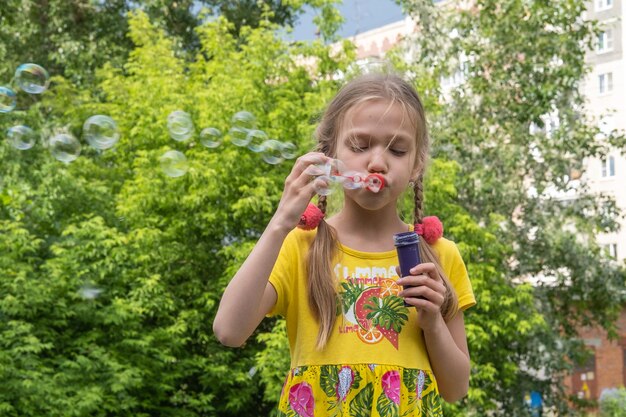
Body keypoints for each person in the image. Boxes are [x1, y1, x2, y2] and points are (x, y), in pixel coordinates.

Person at [213, 73, 476, 416]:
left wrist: (432, 322)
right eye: (359, 145)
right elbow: (229, 331)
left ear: (416, 164)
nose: (377, 162)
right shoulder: (299, 246)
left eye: (397, 150)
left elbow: (456, 389)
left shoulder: (440, 255)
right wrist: (280, 222)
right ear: (328, 154)